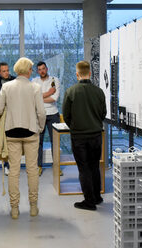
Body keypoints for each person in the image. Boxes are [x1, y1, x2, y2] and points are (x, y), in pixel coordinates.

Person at [0, 57, 46, 219]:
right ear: (29, 70)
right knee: (32, 171)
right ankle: (33, 207)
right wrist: (39, 128)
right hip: (31, 133)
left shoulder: (7, 86)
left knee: (14, 172)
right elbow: (41, 113)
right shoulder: (35, 87)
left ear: (16, 70)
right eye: (31, 69)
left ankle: (14, 209)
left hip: (12, 133)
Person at [62, 61, 106, 211]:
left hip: (79, 136)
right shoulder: (99, 92)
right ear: (90, 73)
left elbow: (66, 115)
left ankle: (89, 202)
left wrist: (75, 126)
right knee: (94, 166)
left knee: (84, 168)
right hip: (96, 135)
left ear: (77, 74)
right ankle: (97, 197)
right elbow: (103, 113)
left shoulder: (71, 91)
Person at [32, 61, 61, 176]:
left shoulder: (54, 80)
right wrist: (48, 92)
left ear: (47, 69)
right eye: (39, 69)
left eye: (43, 68)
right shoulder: (34, 81)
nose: (42, 71)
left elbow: (55, 98)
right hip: (39, 115)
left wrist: (39, 97)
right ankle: (38, 166)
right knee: (38, 142)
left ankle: (57, 167)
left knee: (55, 142)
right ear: (37, 71)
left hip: (53, 114)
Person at [0, 62, 16, 176]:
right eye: (4, 71)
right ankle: (6, 164)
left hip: (14, 114)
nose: (6, 73)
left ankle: (11, 165)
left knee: (12, 141)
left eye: (7, 70)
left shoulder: (15, 80)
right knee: (3, 141)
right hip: (0, 115)